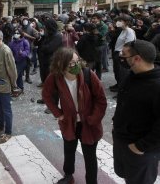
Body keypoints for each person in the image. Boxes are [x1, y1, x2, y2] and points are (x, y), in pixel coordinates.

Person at [42, 47, 107, 184]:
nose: (76, 65)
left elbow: (101, 99)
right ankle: (68, 175)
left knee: (90, 156)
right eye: (72, 63)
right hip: (69, 122)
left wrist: (94, 119)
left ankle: (91, 181)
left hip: (88, 123)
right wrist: (58, 114)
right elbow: (46, 95)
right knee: (69, 150)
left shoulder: (88, 74)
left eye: (77, 61)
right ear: (61, 65)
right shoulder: (55, 77)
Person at [113, 40, 160, 184]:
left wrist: (141, 146)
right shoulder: (132, 74)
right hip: (122, 140)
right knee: (127, 176)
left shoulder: (157, 86)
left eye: (124, 54)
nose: (121, 57)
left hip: (141, 150)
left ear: (137, 58)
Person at [110, 15, 136, 92]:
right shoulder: (123, 30)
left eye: (120, 21)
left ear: (126, 22)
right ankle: (118, 84)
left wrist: (122, 54)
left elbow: (129, 45)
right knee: (117, 71)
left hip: (122, 55)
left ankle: (122, 89)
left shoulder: (129, 31)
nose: (118, 22)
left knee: (122, 73)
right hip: (117, 53)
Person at [9, 29, 30, 95]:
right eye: (15, 33)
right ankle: (20, 88)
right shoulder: (12, 42)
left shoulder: (25, 41)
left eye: (17, 33)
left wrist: (22, 53)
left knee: (16, 74)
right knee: (19, 75)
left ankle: (16, 89)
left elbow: (27, 51)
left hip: (22, 61)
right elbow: (9, 50)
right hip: (15, 61)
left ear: (21, 34)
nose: (16, 34)